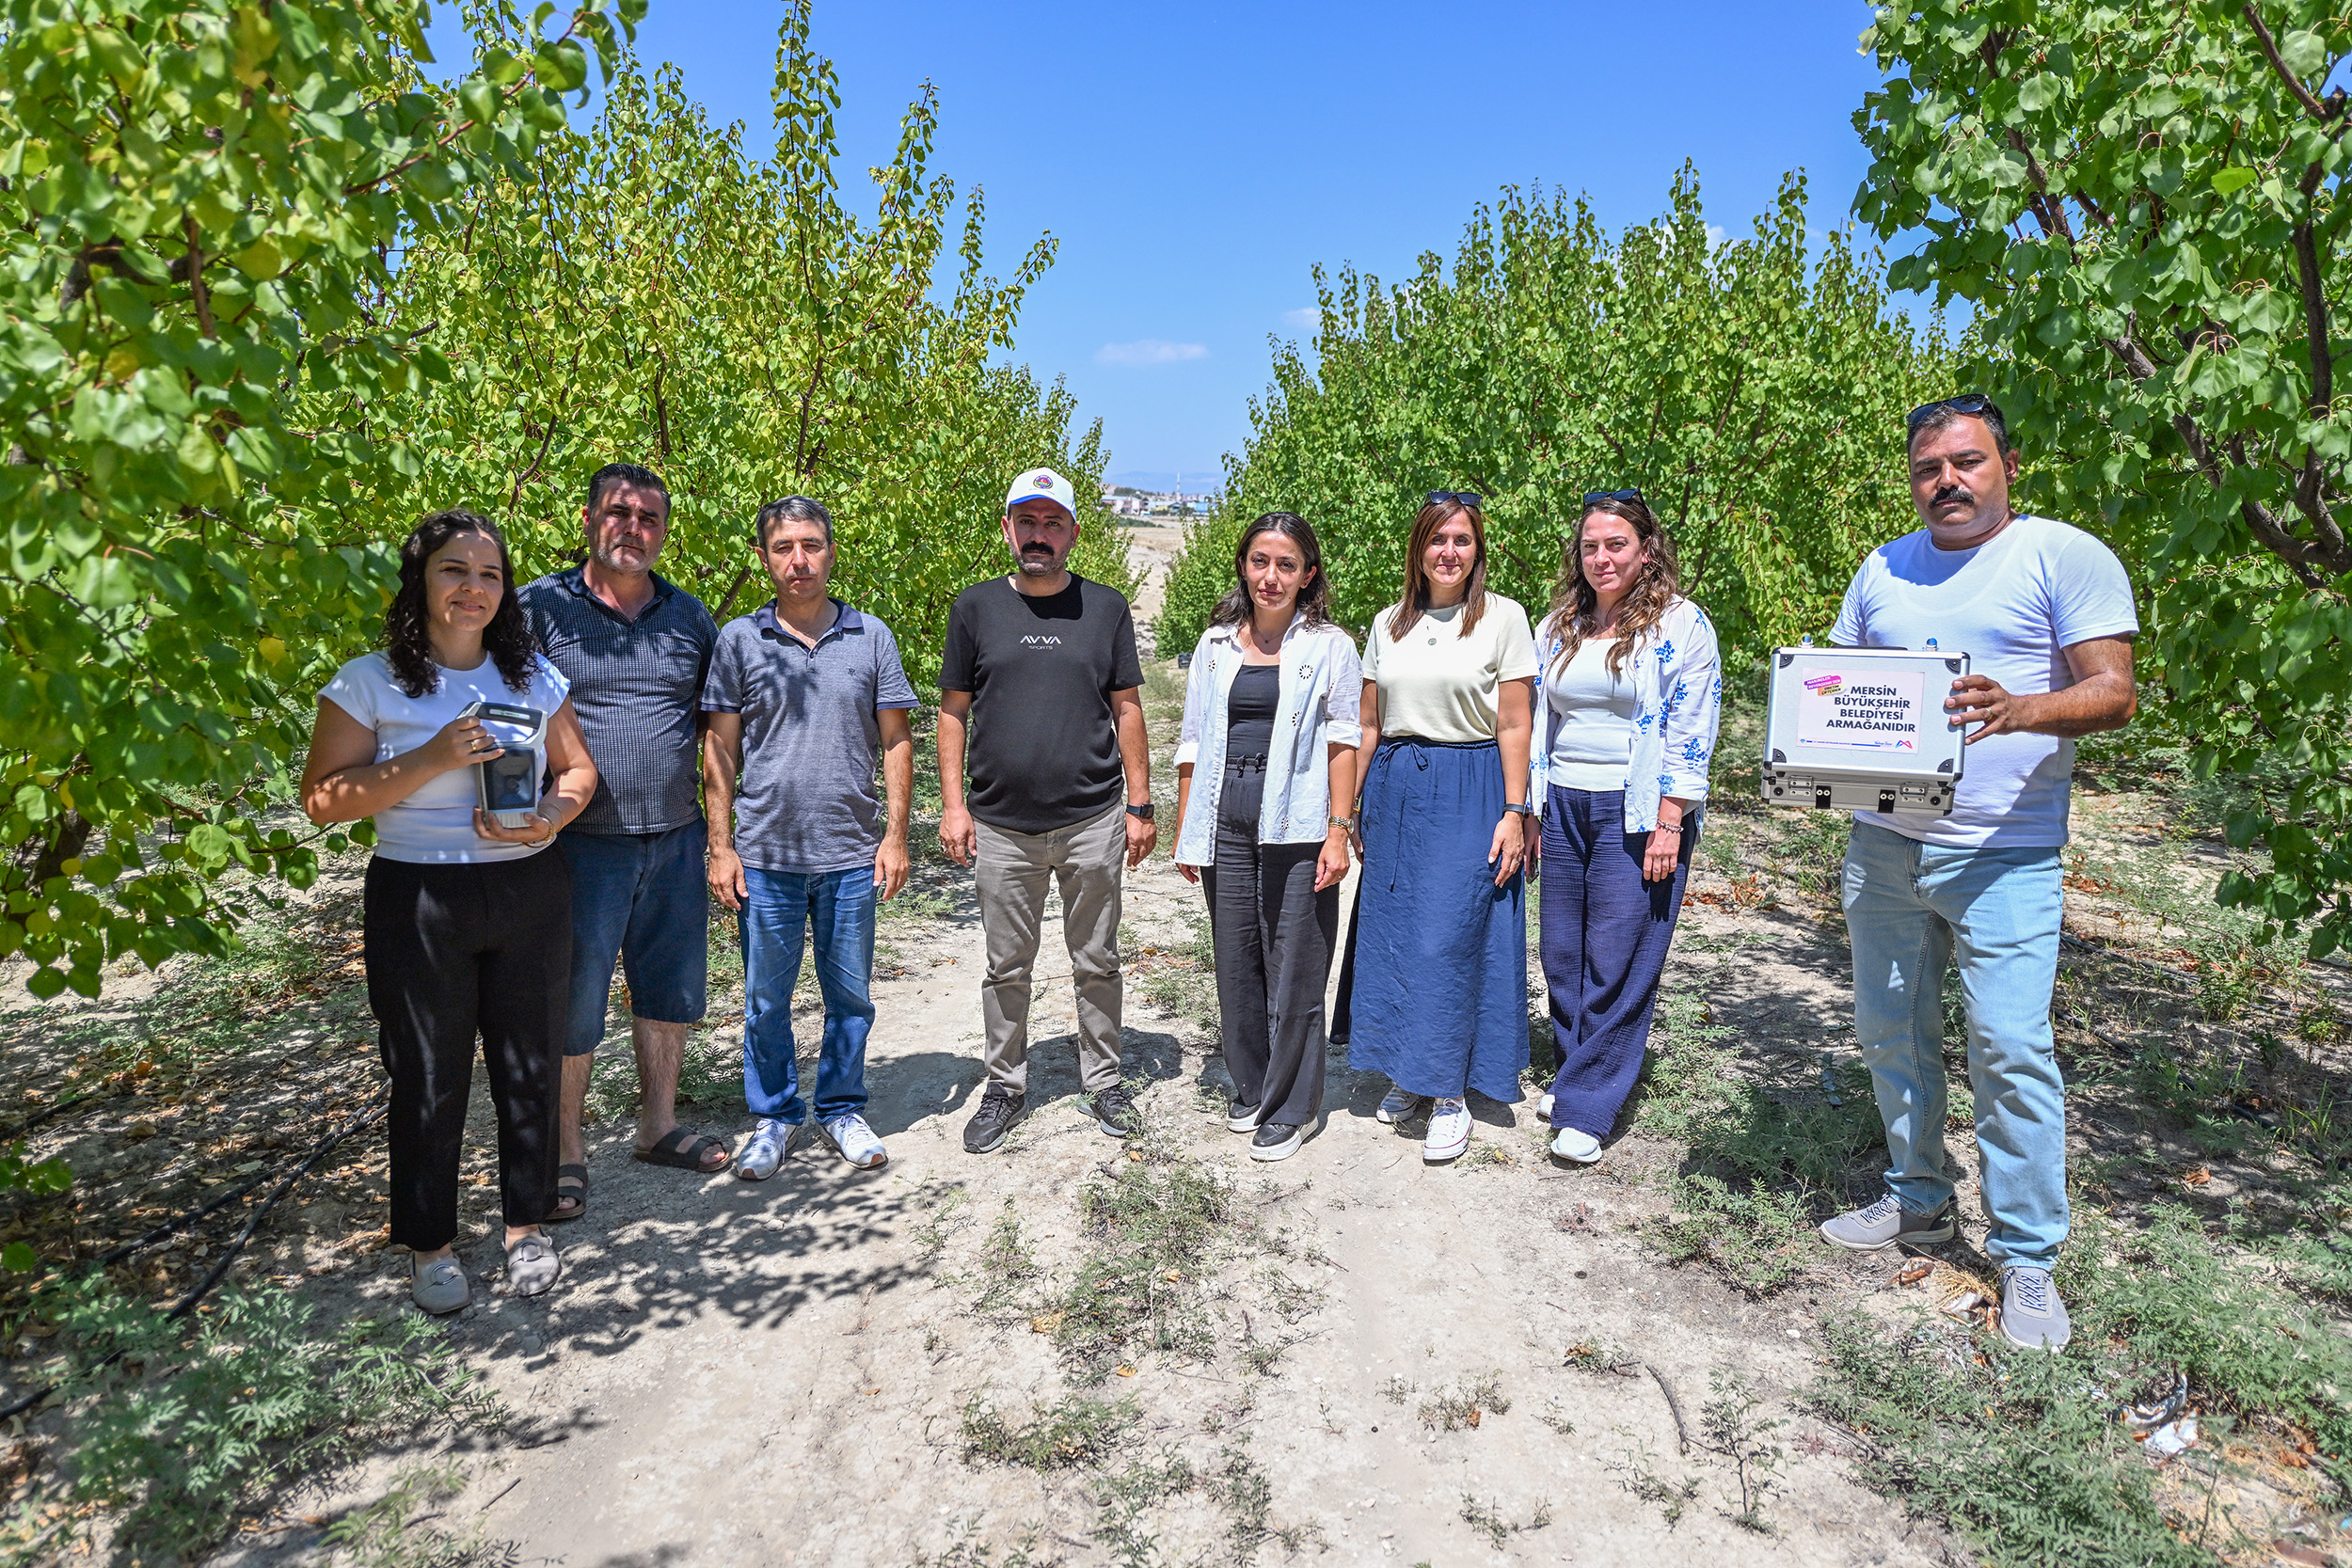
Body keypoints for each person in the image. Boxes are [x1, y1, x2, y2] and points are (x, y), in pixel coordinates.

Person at [1818, 394, 2137, 1353]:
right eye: (1928, 468)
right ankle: (1918, 1198)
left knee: (2008, 1046)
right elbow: (1839, 686)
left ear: (2007, 466)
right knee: (1890, 1030)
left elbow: (2114, 691)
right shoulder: (1882, 567)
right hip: (1884, 844)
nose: (1946, 481)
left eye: (1966, 461)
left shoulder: (2061, 555)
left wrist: (2020, 708)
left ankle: (2027, 1256)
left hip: (2006, 852)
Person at [302, 509, 598, 1314]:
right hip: (420, 897)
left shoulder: (533, 676)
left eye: (490, 574)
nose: (474, 587)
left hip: (530, 890)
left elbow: (578, 771)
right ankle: (430, 1243)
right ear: (420, 581)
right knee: (427, 1076)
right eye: (454, 570)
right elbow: (322, 799)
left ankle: (525, 1226)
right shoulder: (370, 681)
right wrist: (432, 756)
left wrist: (551, 816)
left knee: (530, 1062)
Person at [517, 463, 728, 1220]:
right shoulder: (538, 609)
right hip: (575, 843)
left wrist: (721, 835)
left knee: (668, 989)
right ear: (588, 519)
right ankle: (565, 1149)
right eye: (618, 512)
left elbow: (716, 726)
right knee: (573, 999)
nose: (632, 528)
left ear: (663, 531)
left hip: (674, 837)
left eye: (648, 518)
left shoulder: (688, 616)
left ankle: (657, 1125)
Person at [938, 467, 1156, 1154]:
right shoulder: (974, 608)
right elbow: (952, 712)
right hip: (1001, 826)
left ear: (1073, 533)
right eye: (1027, 522)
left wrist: (1140, 803)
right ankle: (1005, 1087)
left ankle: (1104, 1079)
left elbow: (1127, 707)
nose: (1039, 535)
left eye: (1052, 523)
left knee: (1098, 959)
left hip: (1093, 819)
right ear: (1007, 529)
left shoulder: (1106, 608)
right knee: (1006, 967)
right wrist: (953, 806)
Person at [703, 497, 917, 1178]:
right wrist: (721, 846)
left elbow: (896, 739)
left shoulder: (871, 636)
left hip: (851, 854)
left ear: (831, 551)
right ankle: (774, 1116)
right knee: (766, 1000)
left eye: (812, 545)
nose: (799, 560)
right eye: (783, 547)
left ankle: (841, 1107)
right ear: (763, 557)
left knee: (849, 996)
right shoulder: (740, 640)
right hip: (765, 856)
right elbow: (720, 747)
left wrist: (896, 836)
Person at [1339, 492, 1539, 1163]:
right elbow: (1369, 724)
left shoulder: (1504, 618)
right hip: (1395, 786)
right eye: (1437, 539)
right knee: (1395, 934)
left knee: (1446, 939)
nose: (1448, 552)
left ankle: (1450, 1092)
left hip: (1470, 784)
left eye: (1462, 539)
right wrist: (1351, 806)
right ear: (1418, 548)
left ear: (1477, 549)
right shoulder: (1388, 622)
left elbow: (1514, 722)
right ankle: (1411, 1069)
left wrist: (1514, 811)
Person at [1528, 490, 1721, 1164]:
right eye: (1590, 546)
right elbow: (1540, 722)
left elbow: (1694, 726)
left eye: (1616, 545)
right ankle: (1577, 1070)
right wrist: (1532, 809)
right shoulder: (1559, 625)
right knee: (1561, 952)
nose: (1602, 558)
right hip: (1564, 801)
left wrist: (1671, 820)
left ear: (1646, 550)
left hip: (1637, 810)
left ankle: (1589, 1105)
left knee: (1618, 955)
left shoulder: (1681, 623)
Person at [1171, 514, 1362, 1162]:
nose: (1271, 576)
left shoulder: (1330, 647)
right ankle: (1252, 1086)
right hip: (1225, 820)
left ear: (1308, 574)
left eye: (1286, 564)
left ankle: (1291, 1108)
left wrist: (1338, 831)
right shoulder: (1215, 645)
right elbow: (1193, 740)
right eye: (1260, 561)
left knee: (1296, 968)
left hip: (1298, 824)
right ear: (1243, 566)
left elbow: (1344, 741)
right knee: (1236, 962)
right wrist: (1188, 827)